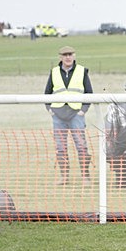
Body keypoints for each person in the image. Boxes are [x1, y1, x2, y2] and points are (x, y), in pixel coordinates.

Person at [44, 46, 93, 185]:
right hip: (58, 115)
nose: (68, 57)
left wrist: (83, 110)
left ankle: (85, 177)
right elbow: (46, 93)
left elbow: (89, 93)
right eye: (65, 55)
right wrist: (50, 110)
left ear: (74, 56)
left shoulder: (82, 71)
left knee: (81, 146)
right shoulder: (53, 72)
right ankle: (64, 177)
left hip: (76, 114)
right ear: (60, 57)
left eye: (70, 54)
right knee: (60, 147)